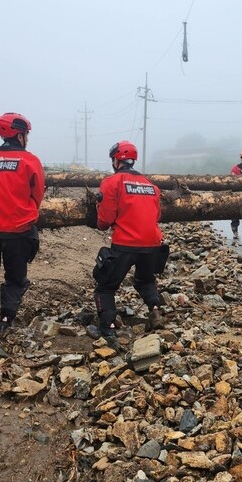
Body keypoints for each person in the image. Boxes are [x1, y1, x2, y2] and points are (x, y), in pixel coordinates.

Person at [0, 113, 45, 346]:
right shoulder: (31, 161)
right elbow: (37, 195)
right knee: (15, 278)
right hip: (18, 231)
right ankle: (5, 319)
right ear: (20, 135)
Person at [93, 141, 164, 348]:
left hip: (126, 243)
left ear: (116, 160)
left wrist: (99, 221)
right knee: (145, 280)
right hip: (152, 243)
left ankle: (108, 328)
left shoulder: (112, 182)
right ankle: (156, 310)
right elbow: (157, 214)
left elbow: (105, 220)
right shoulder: (151, 185)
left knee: (105, 287)